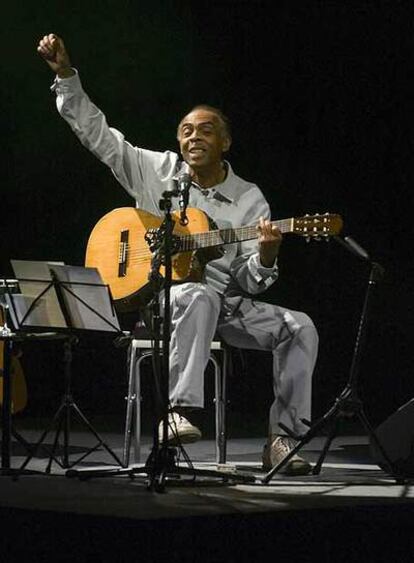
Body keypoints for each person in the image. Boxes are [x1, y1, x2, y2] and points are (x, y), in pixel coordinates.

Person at [37, 33, 319, 475]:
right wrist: (66, 77)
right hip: (160, 302)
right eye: (186, 130)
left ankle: (282, 440)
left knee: (299, 326)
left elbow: (247, 281)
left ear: (225, 143)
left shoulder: (249, 199)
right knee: (196, 296)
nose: (194, 137)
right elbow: (99, 137)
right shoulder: (158, 171)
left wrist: (265, 257)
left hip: (227, 305)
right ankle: (177, 412)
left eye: (206, 130)